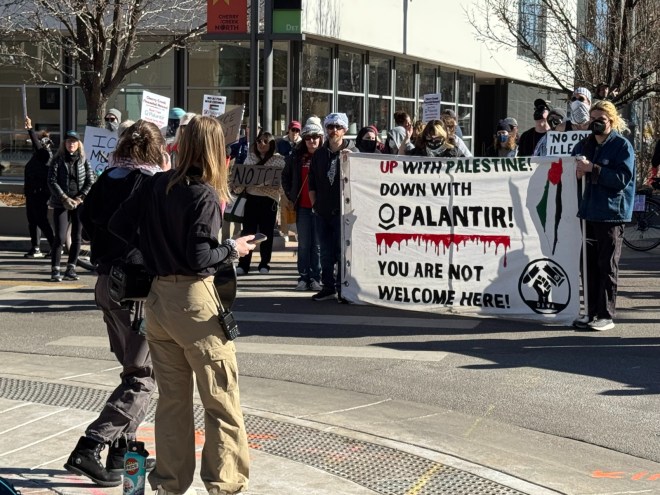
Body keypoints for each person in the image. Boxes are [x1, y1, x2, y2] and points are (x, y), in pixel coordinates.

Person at [108, 115, 256, 495]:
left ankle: (169, 483)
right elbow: (199, 255)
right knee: (221, 400)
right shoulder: (204, 194)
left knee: (173, 401)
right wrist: (234, 249)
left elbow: (117, 225)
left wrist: (151, 251)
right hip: (194, 300)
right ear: (215, 150)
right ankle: (224, 485)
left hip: (158, 300)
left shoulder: (156, 184)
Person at [65, 121, 168, 486]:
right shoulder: (151, 182)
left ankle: (122, 451)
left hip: (107, 281)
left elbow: (86, 221)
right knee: (142, 379)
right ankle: (90, 446)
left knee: (132, 369)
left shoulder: (108, 177)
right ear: (157, 149)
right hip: (136, 290)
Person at [572, 100, 635, 331]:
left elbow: (621, 180)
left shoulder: (622, 146)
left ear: (612, 121)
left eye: (602, 120)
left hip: (610, 214)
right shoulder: (584, 144)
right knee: (587, 264)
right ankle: (589, 311)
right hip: (588, 211)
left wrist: (593, 169)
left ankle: (605, 314)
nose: (596, 124)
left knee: (606, 265)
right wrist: (577, 173)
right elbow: (573, 173)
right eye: (593, 119)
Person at [308, 112, 357, 302]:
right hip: (322, 211)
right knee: (325, 253)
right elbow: (312, 181)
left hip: (344, 212)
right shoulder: (319, 153)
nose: (333, 131)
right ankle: (328, 287)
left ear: (344, 130)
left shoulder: (353, 152)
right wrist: (314, 204)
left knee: (342, 252)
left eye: (337, 127)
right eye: (330, 127)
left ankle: (343, 289)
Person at [281, 116, 323, 291]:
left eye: (315, 137)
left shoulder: (326, 155)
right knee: (304, 243)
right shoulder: (296, 157)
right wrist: (291, 196)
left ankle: (316, 277)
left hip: (321, 208)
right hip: (303, 207)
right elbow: (285, 176)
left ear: (321, 138)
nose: (312, 140)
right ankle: (303, 277)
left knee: (318, 245)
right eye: (308, 137)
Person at [47, 130, 95, 282]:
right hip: (61, 203)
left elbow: (90, 180)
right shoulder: (58, 159)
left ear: (78, 144)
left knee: (76, 237)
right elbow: (52, 181)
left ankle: (71, 268)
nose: (71, 144)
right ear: (64, 144)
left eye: (74, 142)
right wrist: (64, 198)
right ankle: (55, 270)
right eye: (68, 141)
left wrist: (80, 198)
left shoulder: (83, 160)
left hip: (79, 203)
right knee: (60, 237)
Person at [235, 131, 285, 275]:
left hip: (269, 201)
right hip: (251, 199)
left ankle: (264, 264)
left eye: (265, 141)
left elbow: (281, 185)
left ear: (271, 144)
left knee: (266, 233)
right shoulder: (249, 158)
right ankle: (243, 264)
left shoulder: (279, 160)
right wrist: (237, 184)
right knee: (248, 232)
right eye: (259, 141)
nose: (261, 144)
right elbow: (242, 180)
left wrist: (269, 184)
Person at [22, 116, 55, 258]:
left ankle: (55, 245)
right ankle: (35, 247)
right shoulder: (36, 157)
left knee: (41, 219)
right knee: (32, 220)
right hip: (31, 192)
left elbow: (37, 145)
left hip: (41, 193)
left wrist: (30, 129)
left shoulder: (45, 155)